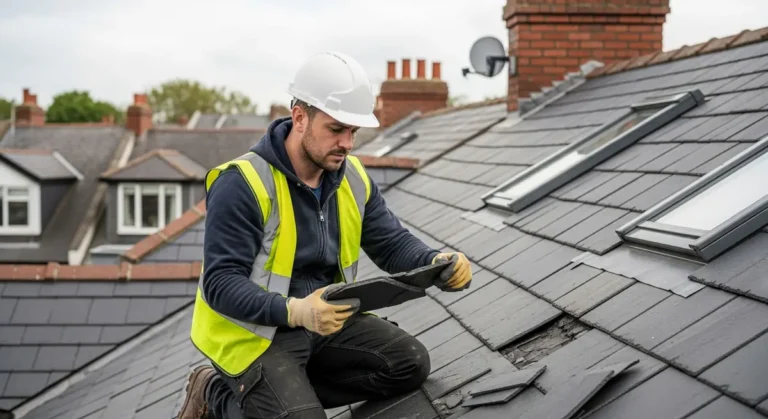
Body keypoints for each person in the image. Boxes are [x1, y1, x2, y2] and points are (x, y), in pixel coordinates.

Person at [177, 51, 472, 419]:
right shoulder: (242, 183)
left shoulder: (353, 178)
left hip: (323, 319)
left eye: (353, 132)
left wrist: (436, 262)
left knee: (409, 363)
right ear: (300, 117)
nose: (347, 143)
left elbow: (391, 243)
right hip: (257, 331)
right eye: (336, 129)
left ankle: (286, 398)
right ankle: (214, 392)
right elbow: (220, 283)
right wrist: (296, 311)